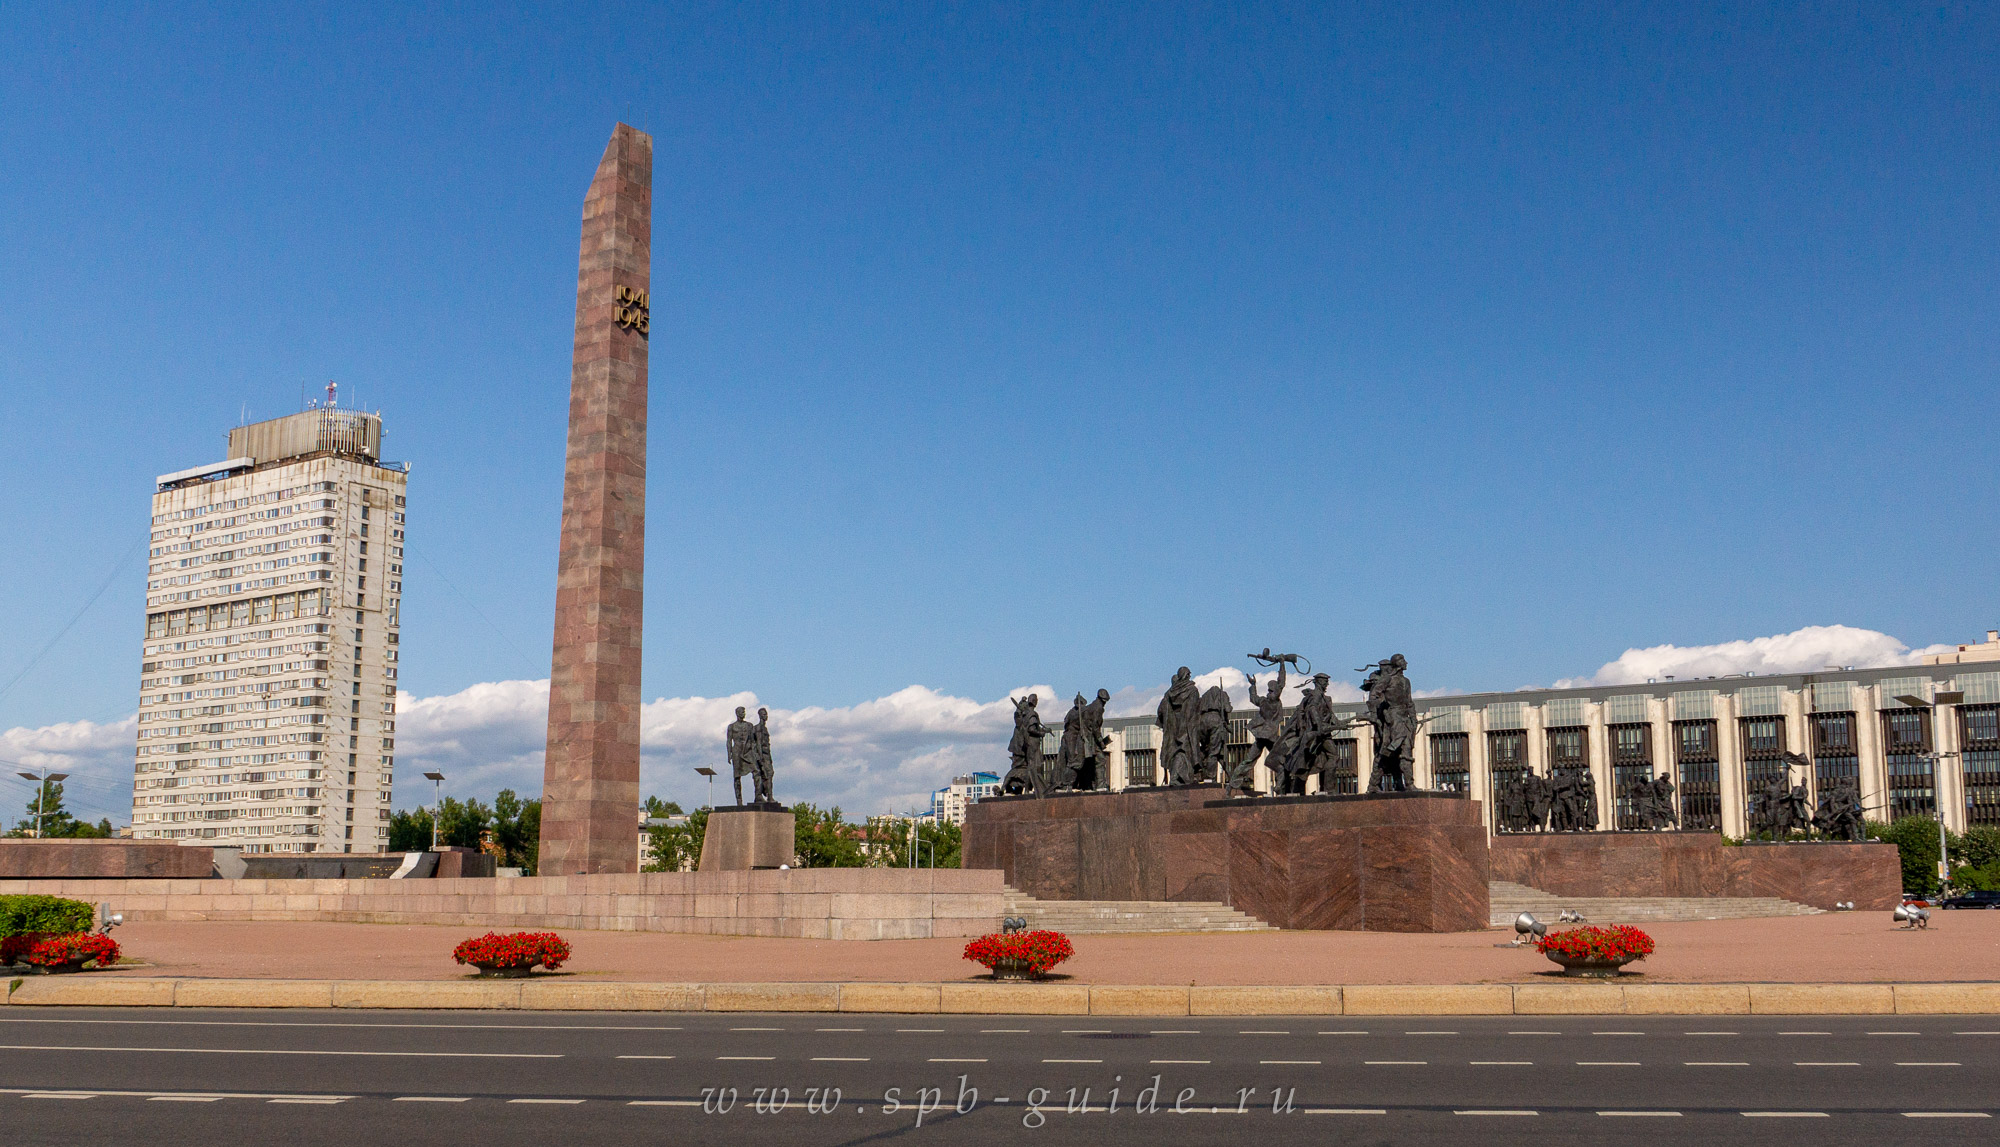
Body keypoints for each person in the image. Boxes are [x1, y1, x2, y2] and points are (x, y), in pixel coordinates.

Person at [1363, 655, 1417, 792]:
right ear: (1397, 664)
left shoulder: (1406, 681)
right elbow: (1373, 696)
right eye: (1403, 661)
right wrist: (1382, 713)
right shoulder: (1388, 679)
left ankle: (1410, 784)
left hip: (1405, 719)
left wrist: (1413, 719)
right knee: (1387, 751)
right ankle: (1373, 784)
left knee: (1406, 751)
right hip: (1393, 718)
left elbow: (1409, 702)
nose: (1406, 663)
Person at [1240, 666, 1287, 798]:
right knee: (1282, 761)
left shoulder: (1263, 701)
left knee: (1248, 760)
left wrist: (1253, 685)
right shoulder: (1274, 701)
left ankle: (1233, 783)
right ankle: (1280, 786)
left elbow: (1253, 697)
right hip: (1270, 736)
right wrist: (1282, 664)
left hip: (1261, 735)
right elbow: (1282, 682)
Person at [1001, 694, 1052, 797]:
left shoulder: (1027, 716)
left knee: (1029, 767)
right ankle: (1013, 788)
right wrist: (1041, 733)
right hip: (1024, 746)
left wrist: (1044, 730)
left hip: (1026, 746)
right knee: (1029, 767)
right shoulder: (1026, 716)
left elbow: (1032, 728)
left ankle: (1024, 788)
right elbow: (1031, 729)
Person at [1156, 667, 1201, 785]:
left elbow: (1160, 711)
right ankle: (1175, 778)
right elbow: (1192, 711)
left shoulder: (1169, 693)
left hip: (1172, 728)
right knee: (1184, 752)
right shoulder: (1192, 690)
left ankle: (1181, 778)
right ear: (1186, 676)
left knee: (1176, 752)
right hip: (1186, 727)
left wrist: (1168, 723)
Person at [724, 706, 757, 806]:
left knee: (756, 771)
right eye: (741, 712)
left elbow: (753, 740)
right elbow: (729, 740)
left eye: (744, 712)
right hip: (737, 752)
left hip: (748, 751)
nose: (743, 713)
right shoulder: (732, 726)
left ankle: (758, 796)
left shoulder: (749, 725)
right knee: (737, 777)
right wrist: (729, 753)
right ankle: (739, 801)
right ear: (737, 713)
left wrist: (754, 752)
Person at [751, 707, 776, 804]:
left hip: (767, 755)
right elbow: (759, 743)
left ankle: (766, 796)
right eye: (764, 714)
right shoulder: (758, 728)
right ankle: (768, 796)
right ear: (760, 715)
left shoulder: (765, 728)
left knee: (769, 775)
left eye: (766, 714)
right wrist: (760, 758)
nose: (766, 716)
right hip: (762, 756)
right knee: (767, 774)